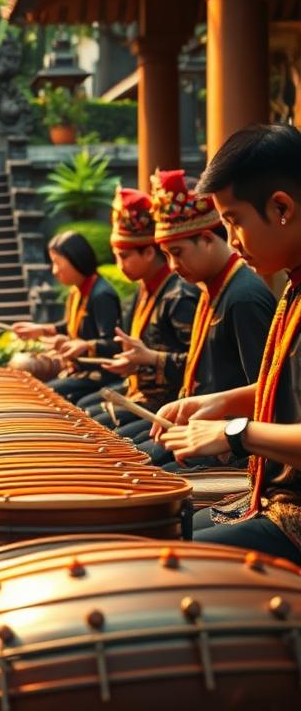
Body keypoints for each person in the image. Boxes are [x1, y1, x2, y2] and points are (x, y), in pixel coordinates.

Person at [152, 125, 301, 565]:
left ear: (280, 208)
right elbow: (287, 393)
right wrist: (222, 402)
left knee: (159, 559)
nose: (231, 240)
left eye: (233, 221)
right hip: (270, 499)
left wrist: (233, 432)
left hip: (292, 519)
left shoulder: (251, 291)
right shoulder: (293, 286)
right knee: (154, 534)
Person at [138, 168, 276, 469]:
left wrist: (226, 425)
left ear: (206, 238)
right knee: (125, 455)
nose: (173, 265)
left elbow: (269, 397)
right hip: (205, 429)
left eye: (177, 252)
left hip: (234, 448)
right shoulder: (212, 288)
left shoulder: (244, 297)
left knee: (139, 471)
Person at [78, 187, 198, 435]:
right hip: (138, 392)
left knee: (94, 431)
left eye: (124, 256)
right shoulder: (144, 290)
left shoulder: (180, 296)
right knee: (81, 413)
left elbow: (197, 366)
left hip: (168, 406)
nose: (118, 265)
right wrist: (134, 363)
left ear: (149, 252)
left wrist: (149, 360)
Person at [11, 230, 121, 402]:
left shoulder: (101, 296)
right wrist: (42, 329)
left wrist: (84, 345)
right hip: (79, 369)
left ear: (76, 260)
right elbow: (72, 325)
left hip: (101, 374)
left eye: (56, 263)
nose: (54, 271)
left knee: (42, 397)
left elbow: (114, 345)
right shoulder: (77, 290)